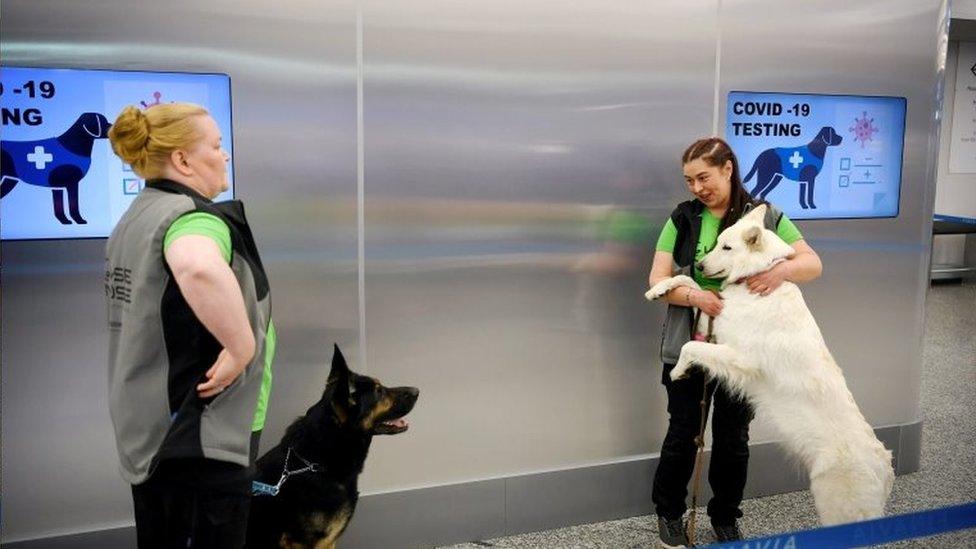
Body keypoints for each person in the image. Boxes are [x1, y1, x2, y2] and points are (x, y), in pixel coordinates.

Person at [105, 103, 276, 548]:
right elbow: (197, 267)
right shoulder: (193, 218)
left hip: (155, 426)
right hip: (201, 432)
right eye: (217, 146)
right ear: (182, 160)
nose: (225, 156)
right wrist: (241, 347)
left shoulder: (140, 215)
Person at [647, 137, 822, 547]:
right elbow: (657, 280)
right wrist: (696, 295)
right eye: (689, 180)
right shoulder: (683, 218)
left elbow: (812, 263)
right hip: (690, 338)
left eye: (703, 177)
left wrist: (780, 272)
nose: (696, 188)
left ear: (728, 168)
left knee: (733, 436)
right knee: (683, 430)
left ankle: (725, 517)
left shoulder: (764, 217)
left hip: (745, 348)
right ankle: (669, 514)